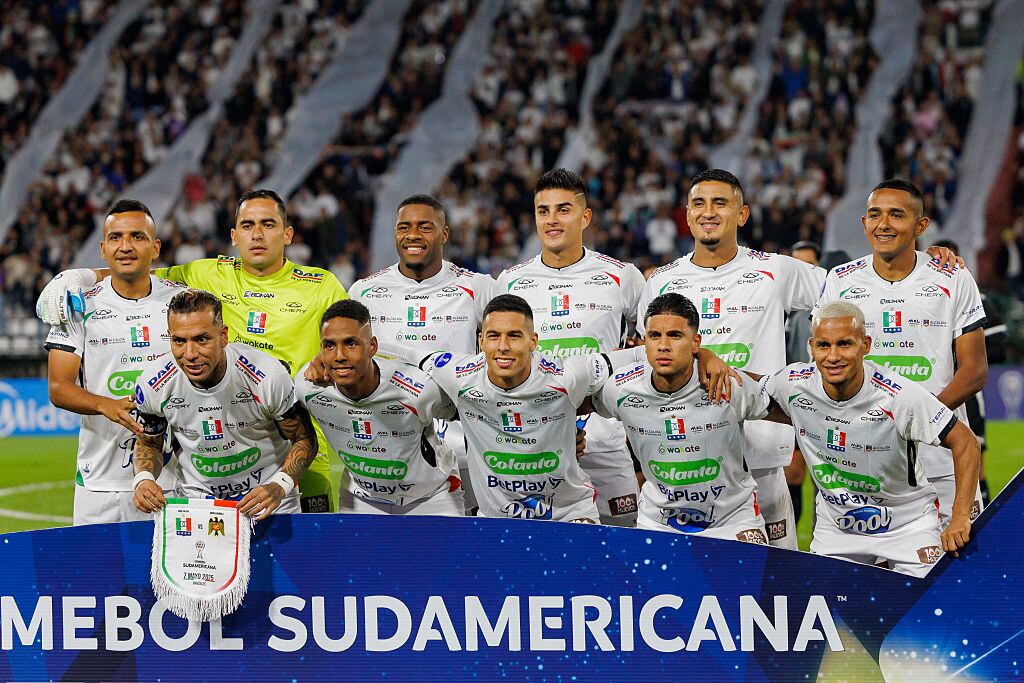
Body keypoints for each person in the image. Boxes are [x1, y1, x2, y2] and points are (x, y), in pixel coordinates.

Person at [37, 189, 349, 513]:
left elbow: (353, 345)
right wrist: (77, 276)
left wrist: (325, 364)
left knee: (307, 555)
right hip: (219, 455)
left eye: (268, 224)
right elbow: (137, 269)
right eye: (247, 225)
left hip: (298, 447)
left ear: (287, 233)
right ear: (233, 235)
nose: (257, 234)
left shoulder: (321, 285)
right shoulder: (205, 275)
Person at [636, 169, 827, 549]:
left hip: (760, 453)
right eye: (699, 204)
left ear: (742, 214)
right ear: (687, 215)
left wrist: (921, 262)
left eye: (720, 203)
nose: (709, 212)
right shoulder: (661, 281)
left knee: (777, 580)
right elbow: (648, 364)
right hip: (683, 458)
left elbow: (852, 288)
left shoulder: (776, 269)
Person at [759, 301, 980, 576]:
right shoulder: (793, 383)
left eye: (845, 344)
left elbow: (966, 442)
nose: (833, 356)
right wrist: (706, 359)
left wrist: (959, 517)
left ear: (866, 344)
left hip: (908, 525)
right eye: (824, 345)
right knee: (827, 613)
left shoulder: (900, 395)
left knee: (928, 610)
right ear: (811, 347)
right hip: (838, 528)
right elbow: (745, 388)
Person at [813, 180, 988, 526]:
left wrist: (921, 420)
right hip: (861, 460)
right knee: (867, 579)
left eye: (897, 214)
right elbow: (825, 362)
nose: (884, 224)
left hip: (940, 459)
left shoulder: (953, 277)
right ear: (864, 224)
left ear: (920, 225)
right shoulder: (840, 281)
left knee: (954, 572)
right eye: (875, 215)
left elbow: (975, 370)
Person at [496, 169, 645, 526]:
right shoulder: (510, 282)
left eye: (563, 209)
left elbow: (652, 347)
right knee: (537, 556)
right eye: (543, 211)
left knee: (623, 554)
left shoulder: (622, 276)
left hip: (604, 440)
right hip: (532, 441)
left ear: (585, 216)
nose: (551, 220)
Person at [420, 295, 644, 523]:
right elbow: (407, 357)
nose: (503, 346)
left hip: (569, 515)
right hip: (497, 520)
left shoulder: (566, 376)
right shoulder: (459, 375)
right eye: (494, 336)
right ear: (481, 341)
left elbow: (637, 355)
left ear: (533, 341)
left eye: (514, 336)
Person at [348, 194, 495, 512]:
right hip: (384, 450)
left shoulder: (480, 288)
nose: (412, 235)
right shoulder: (364, 292)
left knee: (460, 551)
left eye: (424, 227)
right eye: (404, 227)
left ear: (444, 234)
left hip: (462, 448)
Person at [44, 199, 186, 525]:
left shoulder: (183, 302)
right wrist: (106, 405)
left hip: (170, 477)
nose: (126, 246)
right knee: (94, 577)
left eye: (137, 236)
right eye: (116, 237)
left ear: (156, 248)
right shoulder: (76, 305)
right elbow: (58, 387)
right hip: (98, 483)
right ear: (103, 248)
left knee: (164, 577)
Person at [591, 293, 770, 543]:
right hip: (658, 522)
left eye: (675, 335)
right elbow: (567, 404)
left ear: (695, 342)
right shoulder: (620, 389)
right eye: (655, 336)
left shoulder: (728, 385)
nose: (663, 345)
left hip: (733, 521)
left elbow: (788, 407)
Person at [132, 289, 317, 521]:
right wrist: (144, 478)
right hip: (198, 501)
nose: (189, 354)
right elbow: (149, 442)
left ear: (223, 336)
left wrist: (280, 485)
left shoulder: (266, 376)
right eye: (179, 341)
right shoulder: (154, 382)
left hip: (270, 500)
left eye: (202, 339)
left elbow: (304, 438)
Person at [295, 300, 464, 515]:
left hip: (432, 497)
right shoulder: (307, 387)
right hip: (360, 498)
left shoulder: (418, 389)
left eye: (351, 343)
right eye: (330, 345)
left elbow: (474, 415)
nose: (339, 356)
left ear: (372, 347)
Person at [784, 240, 821, 527]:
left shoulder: (831, 306)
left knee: (829, 475)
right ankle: (794, 540)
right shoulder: (781, 309)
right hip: (792, 401)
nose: (802, 270)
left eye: (808, 264)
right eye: (797, 264)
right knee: (792, 473)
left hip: (828, 403)